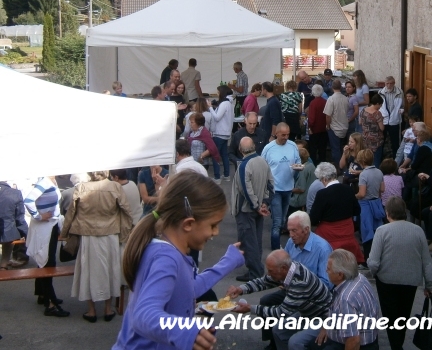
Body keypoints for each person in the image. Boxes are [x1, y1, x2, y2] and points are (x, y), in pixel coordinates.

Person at [112, 171, 245, 350]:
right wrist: (186, 332)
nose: (216, 232)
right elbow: (144, 314)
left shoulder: (167, 252)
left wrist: (227, 262)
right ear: (188, 224)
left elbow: (188, 288)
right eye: (213, 225)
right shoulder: (166, 259)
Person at [61, 171, 133, 323]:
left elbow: (71, 212)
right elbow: (126, 211)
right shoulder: (114, 187)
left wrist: (65, 233)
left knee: (88, 271)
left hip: (88, 234)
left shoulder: (82, 187)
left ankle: (91, 310)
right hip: (110, 234)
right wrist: (124, 234)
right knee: (110, 271)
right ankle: (107, 309)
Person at [226, 250, 332, 350]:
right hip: (306, 312)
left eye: (271, 271)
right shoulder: (289, 269)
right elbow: (264, 281)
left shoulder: (299, 283)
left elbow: (281, 312)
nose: (268, 273)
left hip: (322, 318)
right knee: (278, 331)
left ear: (284, 268)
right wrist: (240, 289)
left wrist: (250, 308)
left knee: (295, 342)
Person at [368, 196, 432, 349]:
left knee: (390, 317)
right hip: (410, 280)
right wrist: (429, 284)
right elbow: (427, 261)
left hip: (386, 280)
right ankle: (398, 343)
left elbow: (373, 262)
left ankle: (396, 345)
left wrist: (374, 273)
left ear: (388, 212)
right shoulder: (418, 231)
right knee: (404, 314)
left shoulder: (382, 231)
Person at [311, 249, 380, 350]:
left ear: (340, 274)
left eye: (329, 269)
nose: (326, 271)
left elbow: (353, 340)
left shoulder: (346, 299)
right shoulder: (359, 277)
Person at [24, 176, 70, 317]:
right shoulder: (45, 182)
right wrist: (39, 216)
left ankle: (43, 295)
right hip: (44, 228)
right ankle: (50, 304)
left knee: (44, 262)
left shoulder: (49, 181)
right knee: (47, 264)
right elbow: (28, 200)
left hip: (49, 226)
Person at [231, 137, 273, 281]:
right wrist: (265, 203)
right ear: (254, 146)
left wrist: (256, 206)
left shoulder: (244, 165)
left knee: (248, 241)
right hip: (258, 208)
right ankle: (257, 268)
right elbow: (270, 184)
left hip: (246, 210)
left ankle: (255, 272)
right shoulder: (263, 161)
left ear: (240, 149)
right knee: (256, 240)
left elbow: (245, 189)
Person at [310, 163, 364, 266]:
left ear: (324, 179)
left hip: (329, 235)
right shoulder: (348, 189)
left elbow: (313, 218)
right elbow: (357, 210)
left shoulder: (322, 194)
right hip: (347, 231)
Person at [261, 123, 301, 250]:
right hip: (275, 189)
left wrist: (298, 167)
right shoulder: (269, 148)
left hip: (288, 187)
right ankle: (275, 249)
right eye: (283, 135)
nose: (286, 137)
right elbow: (262, 166)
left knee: (283, 220)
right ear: (276, 133)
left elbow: (298, 161)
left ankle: (278, 245)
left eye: (288, 134)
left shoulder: (292, 145)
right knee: (278, 222)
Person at [355, 149, 385, 262]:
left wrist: (355, 196)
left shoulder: (363, 174)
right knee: (378, 230)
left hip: (366, 204)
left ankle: (368, 259)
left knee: (367, 232)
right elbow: (382, 189)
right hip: (376, 203)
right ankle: (379, 255)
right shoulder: (379, 172)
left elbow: (362, 194)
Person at [209, 85, 234, 184]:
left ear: (222, 92)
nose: (217, 94)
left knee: (215, 155)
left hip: (219, 133)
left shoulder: (224, 104)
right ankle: (227, 175)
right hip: (226, 133)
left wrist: (210, 108)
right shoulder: (229, 103)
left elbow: (217, 117)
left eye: (218, 92)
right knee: (224, 155)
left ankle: (217, 177)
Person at [0, 181, 28, 270]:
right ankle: (4, 265)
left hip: (7, 230)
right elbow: (19, 217)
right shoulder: (15, 193)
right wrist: (25, 233)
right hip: (8, 232)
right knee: (8, 242)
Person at [324, 80, 349, 170]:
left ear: (332, 87)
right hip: (344, 126)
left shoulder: (331, 99)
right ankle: (344, 166)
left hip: (334, 127)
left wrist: (327, 125)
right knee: (343, 148)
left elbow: (328, 115)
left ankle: (339, 168)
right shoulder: (346, 98)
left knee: (335, 149)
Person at [378, 76, 404, 158]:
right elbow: (378, 106)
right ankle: (381, 159)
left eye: (391, 83)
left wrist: (401, 110)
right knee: (382, 141)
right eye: (387, 83)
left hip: (395, 120)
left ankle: (395, 160)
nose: (389, 85)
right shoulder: (380, 92)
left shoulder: (399, 92)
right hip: (384, 120)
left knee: (395, 142)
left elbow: (402, 105)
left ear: (394, 83)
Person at [359, 93, 385, 168]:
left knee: (367, 158)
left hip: (365, 138)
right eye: (380, 105)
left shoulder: (363, 110)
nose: (380, 107)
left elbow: (360, 122)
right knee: (376, 160)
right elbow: (382, 128)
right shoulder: (377, 113)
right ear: (377, 103)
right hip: (376, 140)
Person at [289, 148, 316, 216]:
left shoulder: (302, 170)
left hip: (299, 201)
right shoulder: (312, 166)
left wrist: (287, 189)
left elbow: (301, 189)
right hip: (308, 198)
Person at [308, 84, 328, 165]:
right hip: (324, 129)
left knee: (313, 149)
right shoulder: (325, 102)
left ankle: (314, 165)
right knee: (322, 149)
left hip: (315, 130)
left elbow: (312, 118)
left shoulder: (313, 103)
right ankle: (322, 164)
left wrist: (310, 127)